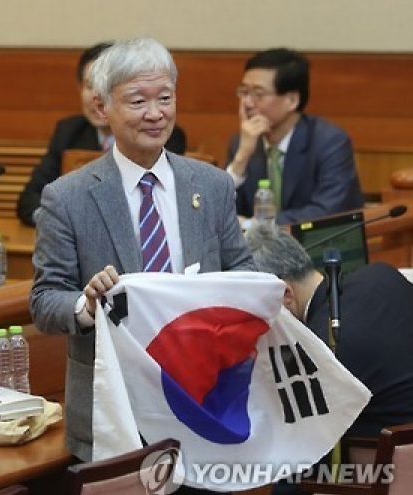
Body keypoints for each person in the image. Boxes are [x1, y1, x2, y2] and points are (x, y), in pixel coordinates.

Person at [29, 37, 254, 494]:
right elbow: (44, 299)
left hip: (202, 403)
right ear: (101, 106)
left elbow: (241, 270)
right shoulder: (67, 198)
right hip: (114, 414)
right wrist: (86, 305)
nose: (155, 113)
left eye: (165, 98)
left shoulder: (210, 186)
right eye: (138, 100)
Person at [245, 223, 413, 495]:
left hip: (383, 476)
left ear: (285, 294)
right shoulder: (382, 274)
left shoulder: (318, 348)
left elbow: (298, 464)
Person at [16, 42, 187, 226]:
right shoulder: (68, 132)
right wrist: (62, 224)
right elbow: (29, 200)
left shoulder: (156, 132)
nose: (96, 97)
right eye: (90, 86)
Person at [226, 48, 364, 225]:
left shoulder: (330, 142)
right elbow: (221, 210)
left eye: (258, 94)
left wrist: (256, 225)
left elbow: (327, 212)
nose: (247, 102)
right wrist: (241, 158)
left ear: (291, 100)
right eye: (244, 92)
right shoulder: (242, 143)